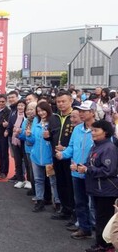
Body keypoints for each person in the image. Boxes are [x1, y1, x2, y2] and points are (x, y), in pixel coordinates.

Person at [56, 100, 96, 240]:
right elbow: (72, 147)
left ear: (92, 113)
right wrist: (63, 154)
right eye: (81, 111)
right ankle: (84, 228)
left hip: (92, 172)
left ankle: (98, 230)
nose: (81, 113)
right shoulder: (77, 129)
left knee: (94, 204)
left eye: (84, 111)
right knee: (80, 201)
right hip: (76, 171)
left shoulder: (100, 129)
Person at [79, 120, 118, 252]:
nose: (92, 133)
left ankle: (104, 245)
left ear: (105, 132)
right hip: (97, 188)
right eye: (92, 130)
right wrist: (83, 167)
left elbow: (109, 170)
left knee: (104, 218)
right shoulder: (96, 146)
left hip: (107, 190)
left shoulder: (109, 148)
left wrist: (87, 170)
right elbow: (91, 163)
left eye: (96, 130)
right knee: (100, 216)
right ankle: (101, 243)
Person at [26, 101, 59, 212]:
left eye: (42, 110)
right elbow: (32, 141)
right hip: (36, 156)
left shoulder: (53, 122)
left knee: (53, 181)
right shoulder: (37, 123)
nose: (41, 113)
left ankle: (57, 203)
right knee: (38, 180)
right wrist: (28, 135)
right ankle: (40, 201)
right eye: (38, 111)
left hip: (49, 157)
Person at [51, 91, 76, 221]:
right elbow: (51, 135)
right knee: (60, 183)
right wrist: (48, 137)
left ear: (70, 101)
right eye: (58, 101)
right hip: (56, 156)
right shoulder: (54, 117)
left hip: (70, 158)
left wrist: (65, 149)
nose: (60, 104)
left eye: (63, 101)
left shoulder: (75, 116)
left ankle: (73, 212)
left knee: (70, 185)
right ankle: (65, 210)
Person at [8, 99, 29, 187]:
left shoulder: (27, 117)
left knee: (27, 161)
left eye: (22, 106)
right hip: (15, 140)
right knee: (18, 160)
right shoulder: (13, 115)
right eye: (19, 105)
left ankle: (29, 180)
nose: (20, 107)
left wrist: (21, 131)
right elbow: (10, 125)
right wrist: (8, 131)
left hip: (24, 141)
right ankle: (20, 179)